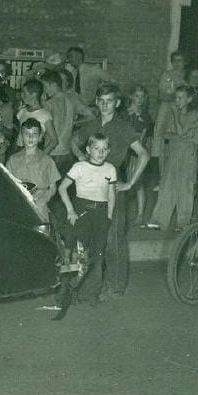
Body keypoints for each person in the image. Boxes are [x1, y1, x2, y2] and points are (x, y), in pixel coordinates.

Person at [70, 83, 150, 301]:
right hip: (89, 189)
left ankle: (116, 285)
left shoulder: (123, 127)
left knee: (113, 238)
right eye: (101, 101)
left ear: (117, 103)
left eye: (110, 101)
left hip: (112, 188)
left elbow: (143, 154)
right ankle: (91, 285)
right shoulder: (91, 125)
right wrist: (81, 157)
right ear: (96, 102)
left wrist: (130, 183)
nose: (105, 105)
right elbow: (73, 141)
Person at [58, 132, 118, 305]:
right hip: (82, 211)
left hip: (101, 214)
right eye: (96, 148)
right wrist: (70, 210)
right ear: (88, 150)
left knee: (98, 255)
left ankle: (92, 294)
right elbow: (62, 188)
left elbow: (111, 194)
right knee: (78, 255)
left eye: (104, 149)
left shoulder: (110, 169)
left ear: (108, 151)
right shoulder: (79, 167)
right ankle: (68, 291)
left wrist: (109, 216)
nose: (100, 152)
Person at [145, 85, 198, 232]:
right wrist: (180, 135)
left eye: (181, 98)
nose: (177, 101)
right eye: (176, 97)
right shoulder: (172, 114)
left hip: (188, 155)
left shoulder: (194, 115)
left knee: (185, 188)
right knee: (166, 185)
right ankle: (159, 220)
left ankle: (183, 223)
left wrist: (176, 121)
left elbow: (180, 132)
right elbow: (166, 134)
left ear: (189, 99)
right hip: (173, 153)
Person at [6, 118, 60, 222]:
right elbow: (7, 184)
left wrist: (45, 198)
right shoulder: (13, 160)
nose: (30, 137)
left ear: (40, 137)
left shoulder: (47, 161)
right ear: (21, 136)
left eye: (34, 134)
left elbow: (53, 187)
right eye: (27, 134)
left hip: (39, 205)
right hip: (19, 205)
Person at [123, 84, 156, 226]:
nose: (140, 99)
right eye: (137, 96)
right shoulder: (124, 114)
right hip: (123, 152)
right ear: (131, 96)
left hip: (136, 153)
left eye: (142, 97)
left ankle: (140, 215)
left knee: (137, 182)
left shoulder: (145, 116)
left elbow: (142, 137)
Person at [15, 78, 57, 156]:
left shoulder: (45, 115)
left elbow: (54, 141)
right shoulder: (22, 111)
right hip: (19, 151)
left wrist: (40, 157)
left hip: (34, 151)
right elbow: (18, 136)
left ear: (33, 95)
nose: (21, 95)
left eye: (24, 93)